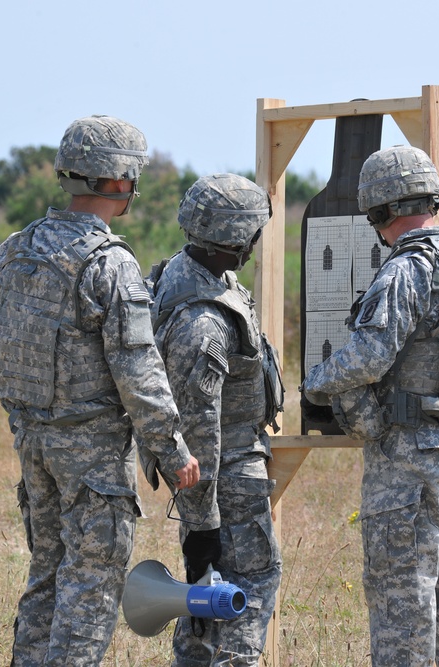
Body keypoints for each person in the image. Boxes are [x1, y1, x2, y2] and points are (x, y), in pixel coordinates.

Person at [0, 115, 199, 666]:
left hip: (34, 441)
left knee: (47, 576)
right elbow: (139, 371)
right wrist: (172, 451)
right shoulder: (109, 264)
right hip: (93, 454)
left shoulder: (17, 248)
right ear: (121, 182)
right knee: (91, 588)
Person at [301, 146, 439, 667]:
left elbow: (367, 359)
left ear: (379, 212)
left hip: (414, 454)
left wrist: (316, 382)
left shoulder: (407, 270)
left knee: (400, 595)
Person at [147, 173, 283, 666]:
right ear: (241, 239)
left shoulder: (189, 277)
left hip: (216, 478)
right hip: (224, 478)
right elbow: (200, 432)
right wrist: (203, 529)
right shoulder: (203, 321)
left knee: (204, 600)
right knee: (241, 591)